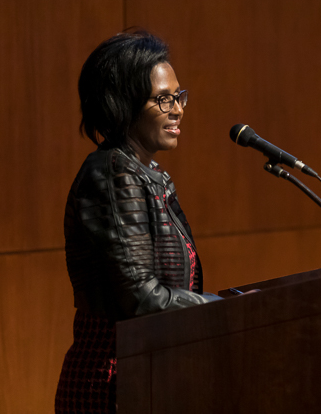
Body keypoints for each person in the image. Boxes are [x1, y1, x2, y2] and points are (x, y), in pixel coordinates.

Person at [55, 30, 219, 413]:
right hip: (113, 382)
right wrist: (218, 307)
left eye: (179, 97)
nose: (177, 109)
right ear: (123, 105)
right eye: (163, 99)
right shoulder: (114, 173)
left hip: (143, 373)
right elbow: (140, 298)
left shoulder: (148, 173)